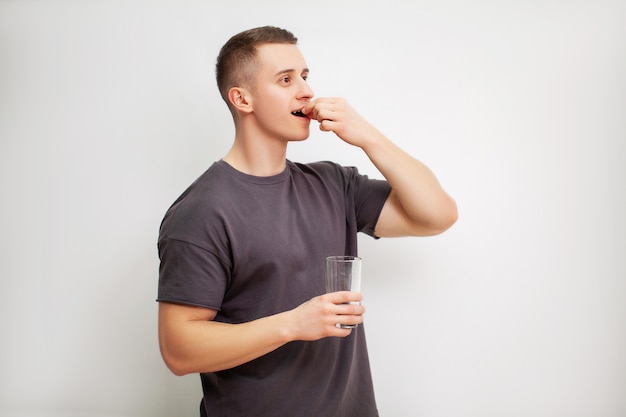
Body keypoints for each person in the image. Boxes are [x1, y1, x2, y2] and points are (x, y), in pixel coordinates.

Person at [157, 26, 457, 417]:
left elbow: (438, 214)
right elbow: (178, 350)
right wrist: (294, 324)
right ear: (241, 98)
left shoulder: (334, 184)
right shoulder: (202, 211)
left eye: (304, 76)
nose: (305, 91)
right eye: (285, 79)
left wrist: (367, 136)